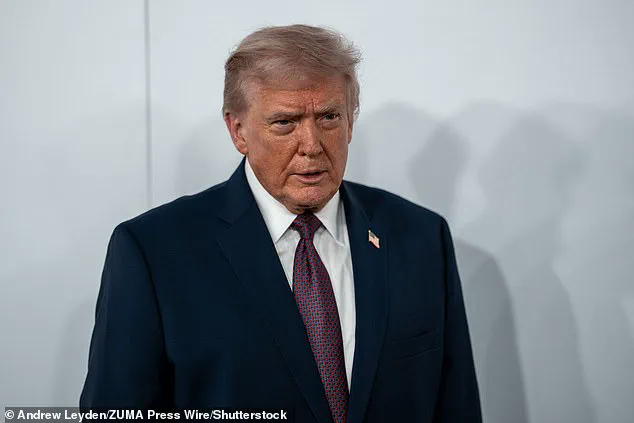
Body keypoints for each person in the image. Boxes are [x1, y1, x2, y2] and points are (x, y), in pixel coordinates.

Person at [80, 24, 481, 423]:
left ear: (351, 122)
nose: (311, 145)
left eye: (328, 117)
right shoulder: (154, 252)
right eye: (285, 122)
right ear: (238, 131)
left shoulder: (421, 238)